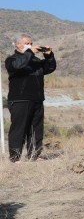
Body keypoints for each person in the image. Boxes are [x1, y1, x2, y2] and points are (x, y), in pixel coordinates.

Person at [5, 34, 56, 163]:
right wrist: (29, 52)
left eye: (31, 43)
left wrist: (49, 56)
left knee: (36, 128)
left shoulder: (35, 61)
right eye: (27, 43)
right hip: (20, 99)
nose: (30, 46)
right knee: (19, 128)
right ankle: (15, 157)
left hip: (37, 99)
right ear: (17, 45)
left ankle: (34, 154)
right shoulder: (11, 60)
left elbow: (49, 68)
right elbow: (19, 65)